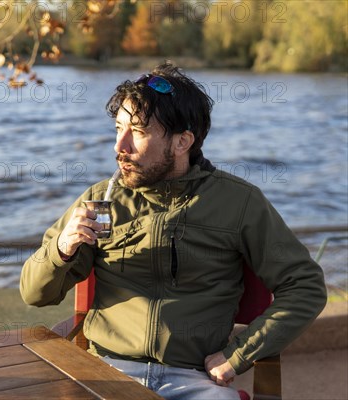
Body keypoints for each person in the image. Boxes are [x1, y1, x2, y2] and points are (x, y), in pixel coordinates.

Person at [19, 62, 327, 400]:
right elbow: (35, 295)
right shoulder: (100, 200)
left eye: (136, 131)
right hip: (107, 371)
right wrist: (61, 249)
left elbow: (305, 286)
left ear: (182, 142)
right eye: (118, 128)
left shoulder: (239, 203)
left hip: (195, 379)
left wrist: (238, 354)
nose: (119, 146)